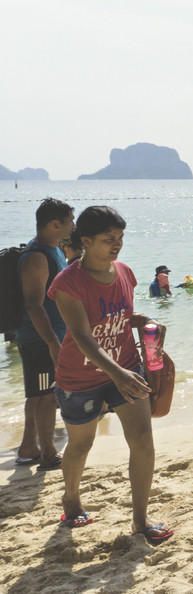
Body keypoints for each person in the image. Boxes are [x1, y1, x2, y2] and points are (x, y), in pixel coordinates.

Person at [48, 205, 173, 541]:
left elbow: (119, 319)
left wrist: (142, 321)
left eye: (120, 237)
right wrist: (117, 373)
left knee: (143, 442)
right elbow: (83, 337)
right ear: (86, 240)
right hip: (81, 379)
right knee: (80, 445)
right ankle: (71, 498)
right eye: (108, 239)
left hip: (127, 368)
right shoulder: (67, 283)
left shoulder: (125, 273)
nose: (117, 244)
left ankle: (140, 521)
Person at [14, 197, 74, 470]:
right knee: (47, 395)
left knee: (38, 394)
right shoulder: (37, 256)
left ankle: (29, 447)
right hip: (39, 338)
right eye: (70, 221)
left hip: (49, 335)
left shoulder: (56, 250)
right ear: (54, 224)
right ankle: (48, 453)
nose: (73, 225)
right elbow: (33, 304)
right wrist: (52, 342)